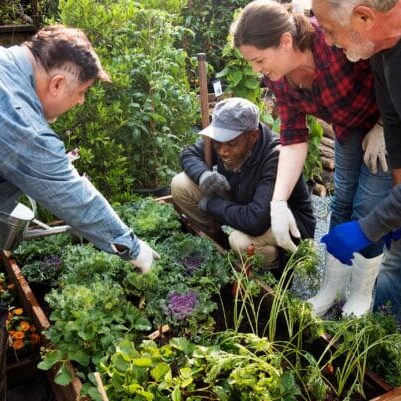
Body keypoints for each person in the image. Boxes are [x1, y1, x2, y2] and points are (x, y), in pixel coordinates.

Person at [231, 0, 393, 317]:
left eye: (259, 59)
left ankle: (361, 295)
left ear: (286, 42)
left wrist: (385, 125)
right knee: (342, 202)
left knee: (367, 207)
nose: (256, 69)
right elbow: (293, 136)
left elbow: (387, 67)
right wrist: (277, 203)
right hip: (348, 129)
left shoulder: (335, 38)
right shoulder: (278, 78)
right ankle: (330, 289)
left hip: (385, 127)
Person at [0, 25, 159, 273]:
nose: (81, 100)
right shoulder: (19, 118)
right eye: (82, 91)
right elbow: (71, 194)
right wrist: (133, 248)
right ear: (57, 84)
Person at [311, 0, 401, 320]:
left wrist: (369, 227)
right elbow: (393, 120)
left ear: (364, 17)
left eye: (333, 32)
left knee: (393, 263)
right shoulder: (382, 52)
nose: (329, 42)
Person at [171, 97, 315, 268]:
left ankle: (277, 268)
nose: (223, 151)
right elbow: (189, 154)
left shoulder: (275, 156)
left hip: (285, 225)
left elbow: (255, 222)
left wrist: (211, 204)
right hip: (244, 205)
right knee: (180, 184)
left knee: (240, 242)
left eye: (231, 143)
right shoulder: (224, 139)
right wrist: (203, 175)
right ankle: (215, 243)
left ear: (253, 136)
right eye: (218, 143)